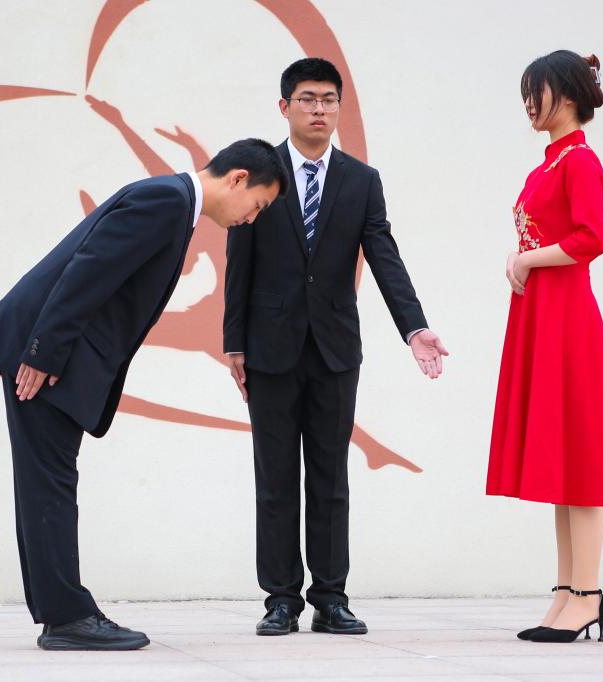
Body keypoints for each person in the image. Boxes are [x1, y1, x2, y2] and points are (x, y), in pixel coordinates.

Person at [0, 139, 287, 651]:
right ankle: (68, 618)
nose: (252, 218)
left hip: (51, 353)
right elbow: (87, 271)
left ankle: (63, 614)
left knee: (45, 483)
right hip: (47, 357)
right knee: (49, 483)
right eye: (258, 204)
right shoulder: (166, 201)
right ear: (237, 179)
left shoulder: (172, 203)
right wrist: (43, 352)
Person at [223, 58, 448, 637]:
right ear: (284, 107)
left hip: (335, 351)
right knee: (275, 478)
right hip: (269, 349)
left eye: (328, 99)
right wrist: (233, 343)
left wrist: (414, 327)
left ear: (339, 108)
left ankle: (330, 597)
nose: (318, 109)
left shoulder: (361, 180)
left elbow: (384, 256)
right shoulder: (259, 174)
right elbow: (238, 262)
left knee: (329, 478)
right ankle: (280, 599)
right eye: (307, 99)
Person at [486, 51, 603, 644]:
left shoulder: (580, 161)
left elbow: (592, 238)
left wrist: (526, 260)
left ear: (567, 95)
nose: (529, 103)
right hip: (543, 314)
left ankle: (588, 593)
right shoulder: (550, 163)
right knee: (564, 459)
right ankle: (568, 590)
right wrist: (522, 260)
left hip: (567, 318)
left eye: (537, 91)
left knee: (583, 456)